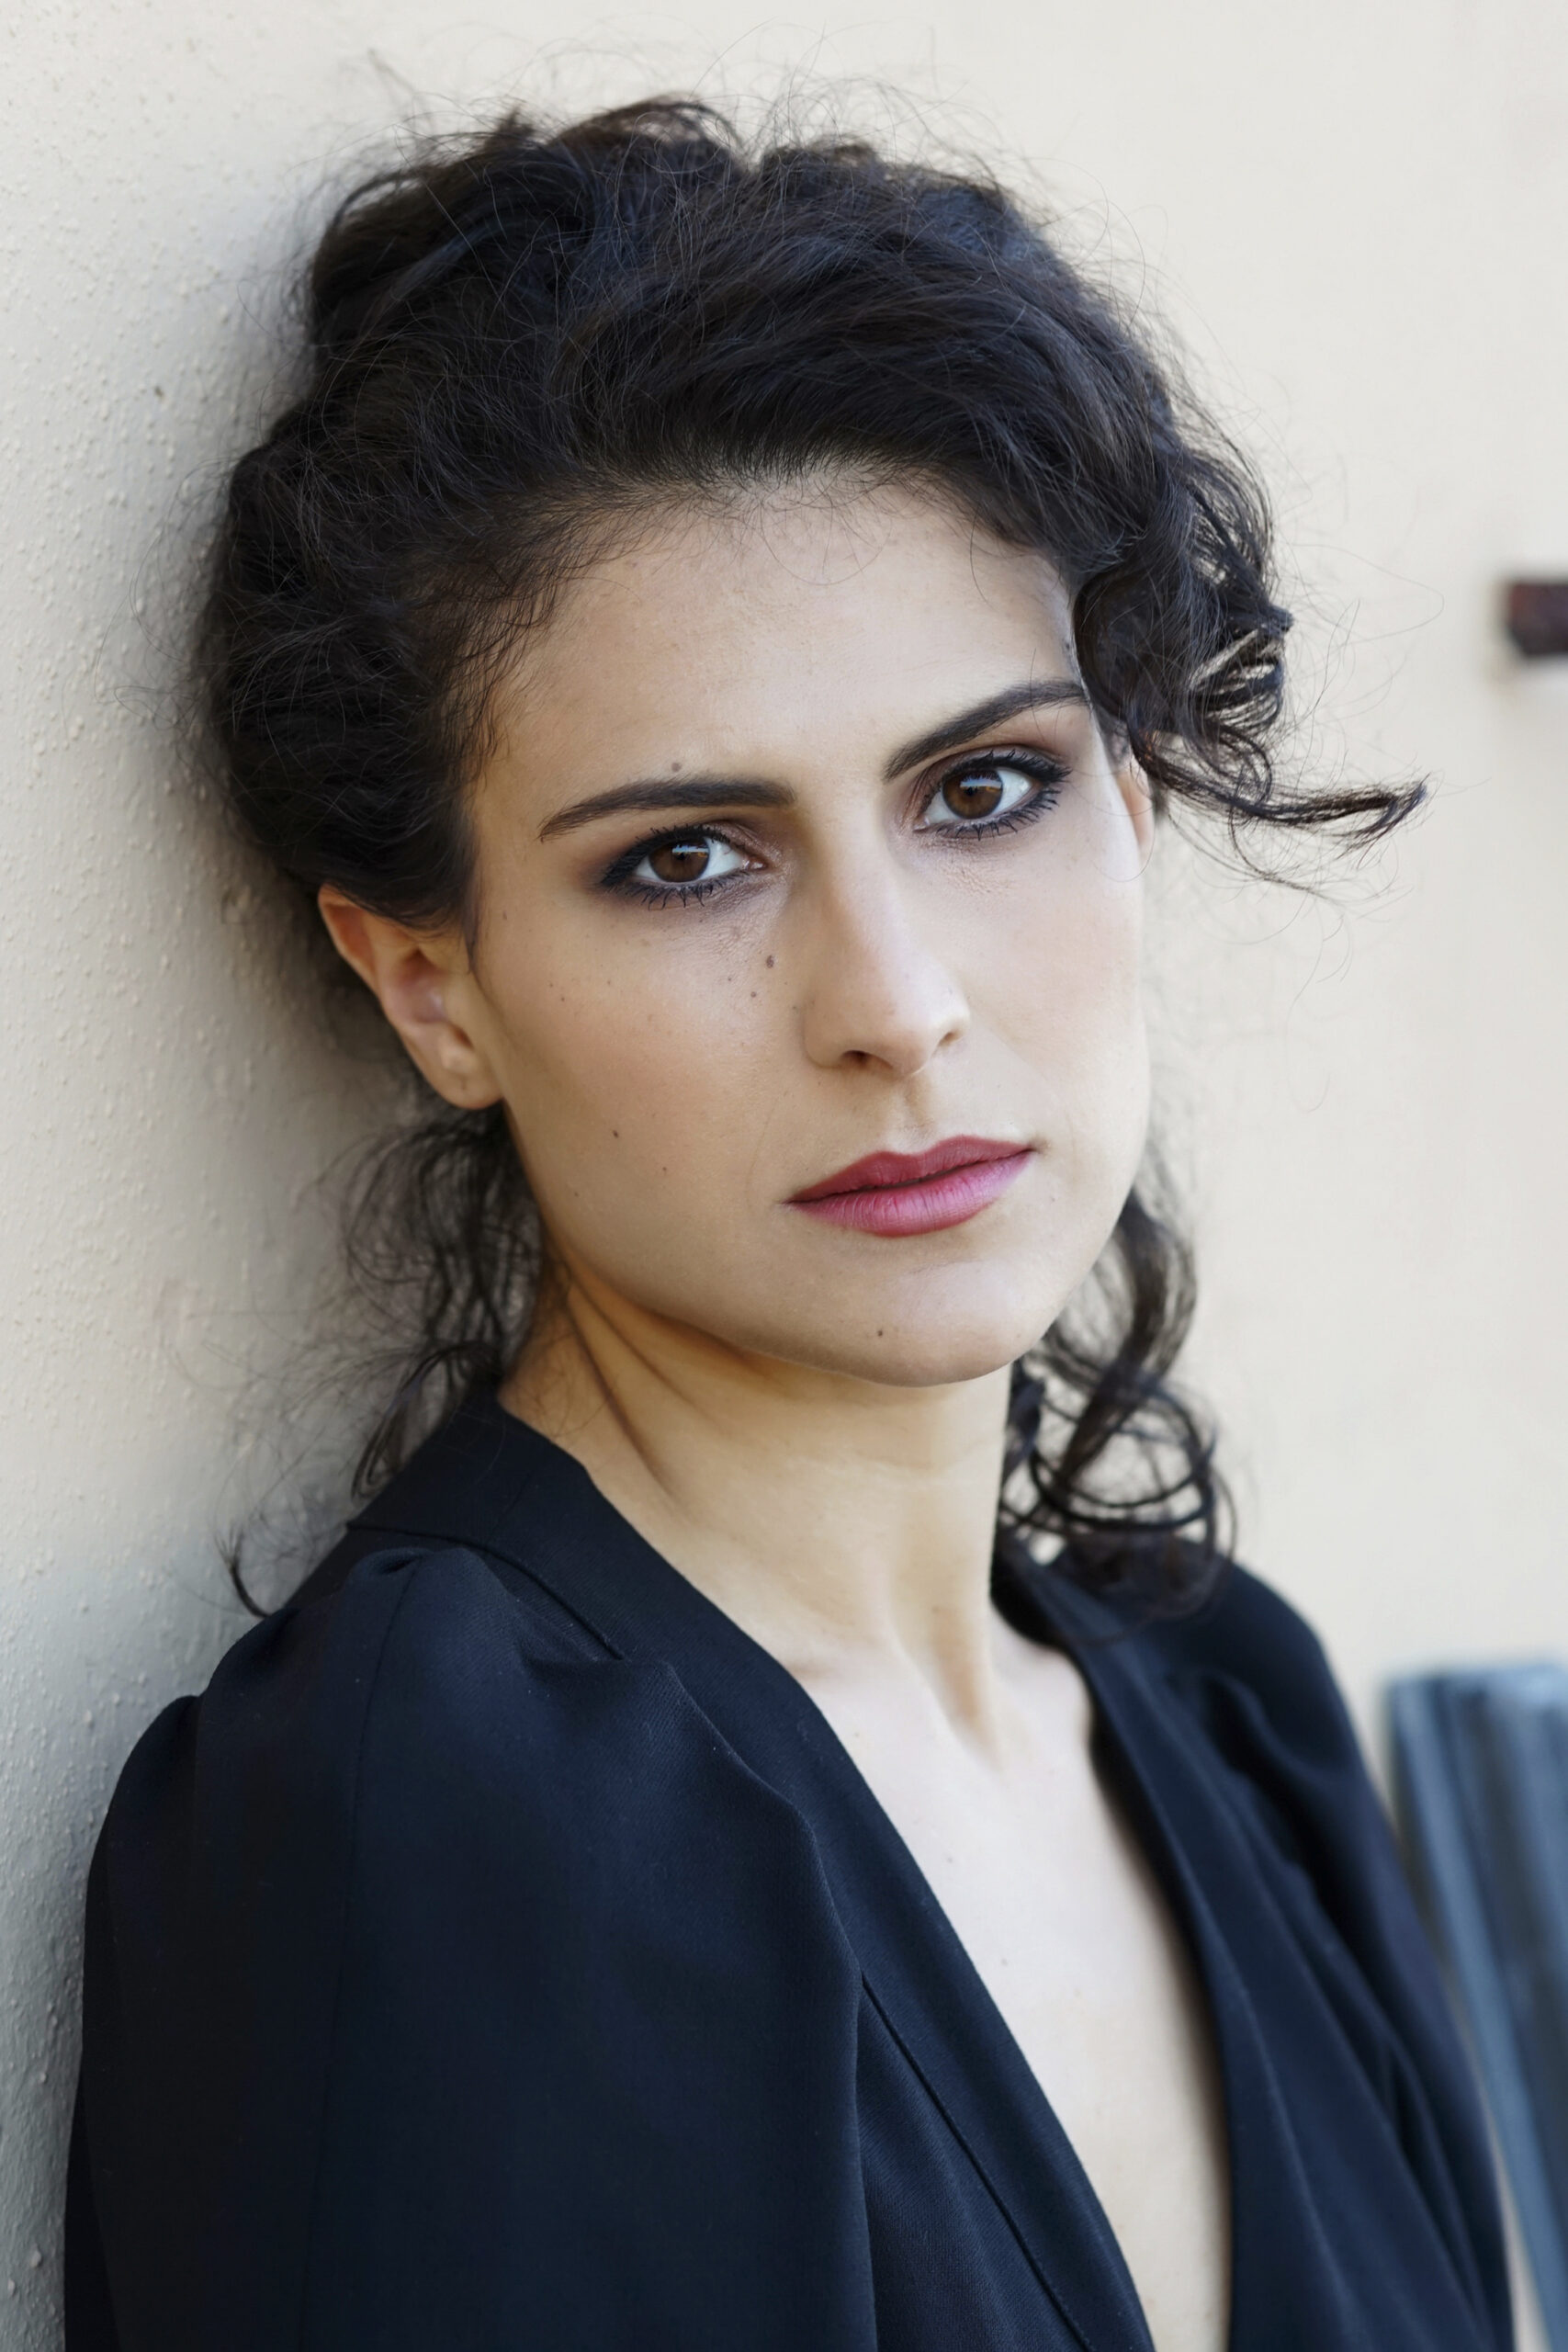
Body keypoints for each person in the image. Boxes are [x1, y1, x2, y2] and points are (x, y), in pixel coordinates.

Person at [65, 99, 1512, 2352]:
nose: (893, 1003)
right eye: (686, 858)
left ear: (1133, 810)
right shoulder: (438, 1807)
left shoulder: (1235, 1716)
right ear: (429, 983)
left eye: (984, 789)